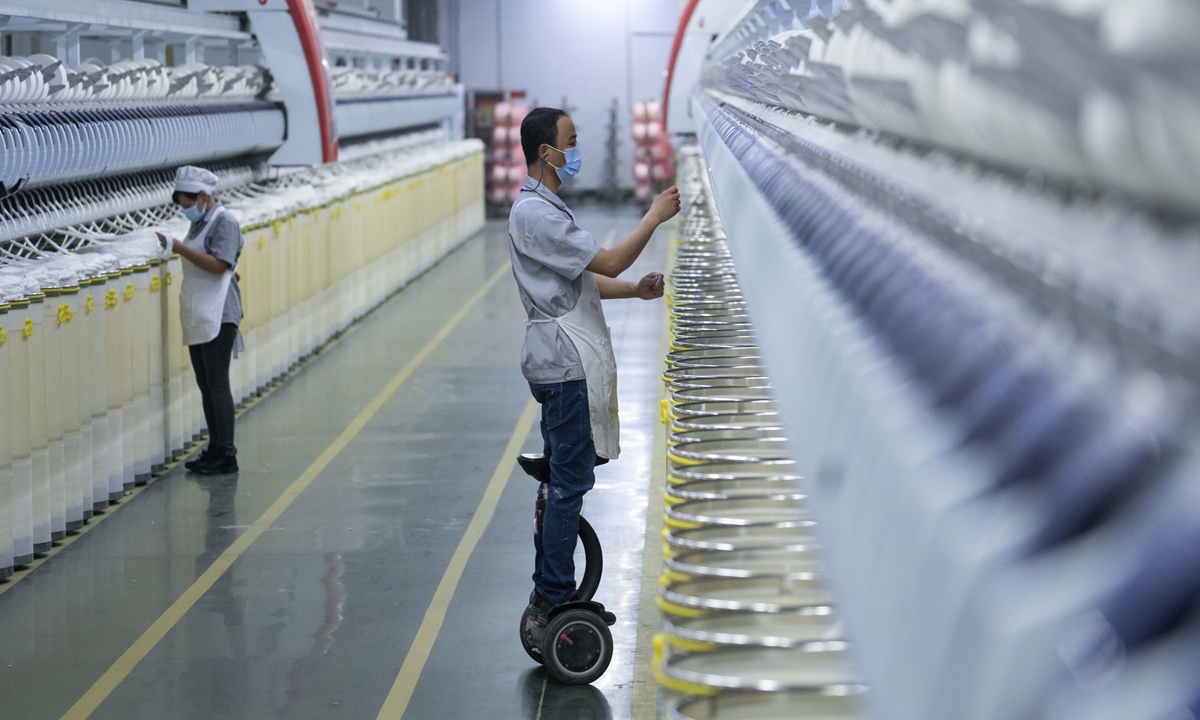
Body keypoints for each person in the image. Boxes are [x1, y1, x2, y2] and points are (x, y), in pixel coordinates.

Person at [509, 108, 680, 643]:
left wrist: (637, 292)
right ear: (546, 153)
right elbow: (605, 264)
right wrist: (652, 218)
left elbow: (583, 283)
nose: (576, 149)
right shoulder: (536, 215)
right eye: (571, 141)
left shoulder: (546, 209)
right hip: (564, 364)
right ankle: (554, 594)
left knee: (565, 481)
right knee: (569, 486)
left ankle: (550, 588)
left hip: (562, 358)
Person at [156, 166, 245, 475]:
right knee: (206, 384)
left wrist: (177, 248)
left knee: (217, 383)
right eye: (183, 206)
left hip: (220, 316)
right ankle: (216, 448)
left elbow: (220, 264)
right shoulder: (201, 224)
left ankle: (227, 454)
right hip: (201, 314)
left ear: (204, 197)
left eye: (188, 204)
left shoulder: (225, 222)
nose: (186, 210)